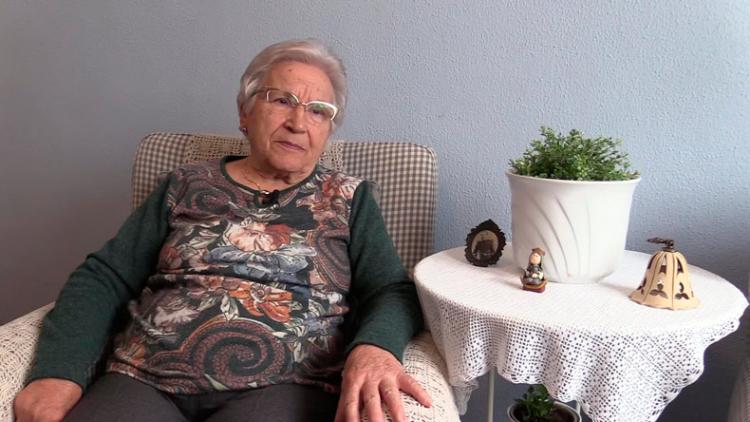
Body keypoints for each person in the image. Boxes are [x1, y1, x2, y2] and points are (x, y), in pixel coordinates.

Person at [13, 39, 431, 422]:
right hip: (145, 378)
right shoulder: (185, 184)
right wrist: (59, 371)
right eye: (281, 100)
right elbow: (104, 277)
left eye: (318, 110)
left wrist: (375, 347)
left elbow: (391, 290)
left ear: (328, 129)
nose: (298, 122)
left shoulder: (349, 198)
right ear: (245, 113)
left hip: (283, 387)